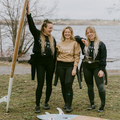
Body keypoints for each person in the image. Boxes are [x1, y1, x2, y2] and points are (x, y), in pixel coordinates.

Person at [26, 1, 56, 113]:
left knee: (49, 83)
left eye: (52, 28)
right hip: (39, 62)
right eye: (49, 28)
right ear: (44, 27)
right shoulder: (37, 34)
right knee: (40, 83)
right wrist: (28, 13)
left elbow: (56, 54)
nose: (51, 30)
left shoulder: (53, 39)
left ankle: (46, 102)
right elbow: (31, 24)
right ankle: (37, 104)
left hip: (50, 63)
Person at [75, 26, 107, 112]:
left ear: (94, 32)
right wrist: (82, 39)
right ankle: (92, 104)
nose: (89, 34)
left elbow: (103, 59)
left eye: (91, 32)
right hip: (86, 66)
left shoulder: (101, 44)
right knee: (90, 87)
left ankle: (102, 105)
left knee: (100, 87)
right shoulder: (84, 42)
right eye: (87, 33)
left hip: (97, 66)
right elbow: (75, 37)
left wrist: (102, 70)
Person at [56, 26, 80, 113]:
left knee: (68, 84)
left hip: (70, 65)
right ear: (63, 33)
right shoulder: (59, 43)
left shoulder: (75, 43)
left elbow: (77, 56)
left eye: (68, 32)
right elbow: (56, 56)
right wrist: (55, 68)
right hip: (60, 65)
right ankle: (66, 102)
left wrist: (75, 68)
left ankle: (69, 105)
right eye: (65, 32)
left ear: (71, 33)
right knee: (63, 84)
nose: (67, 33)